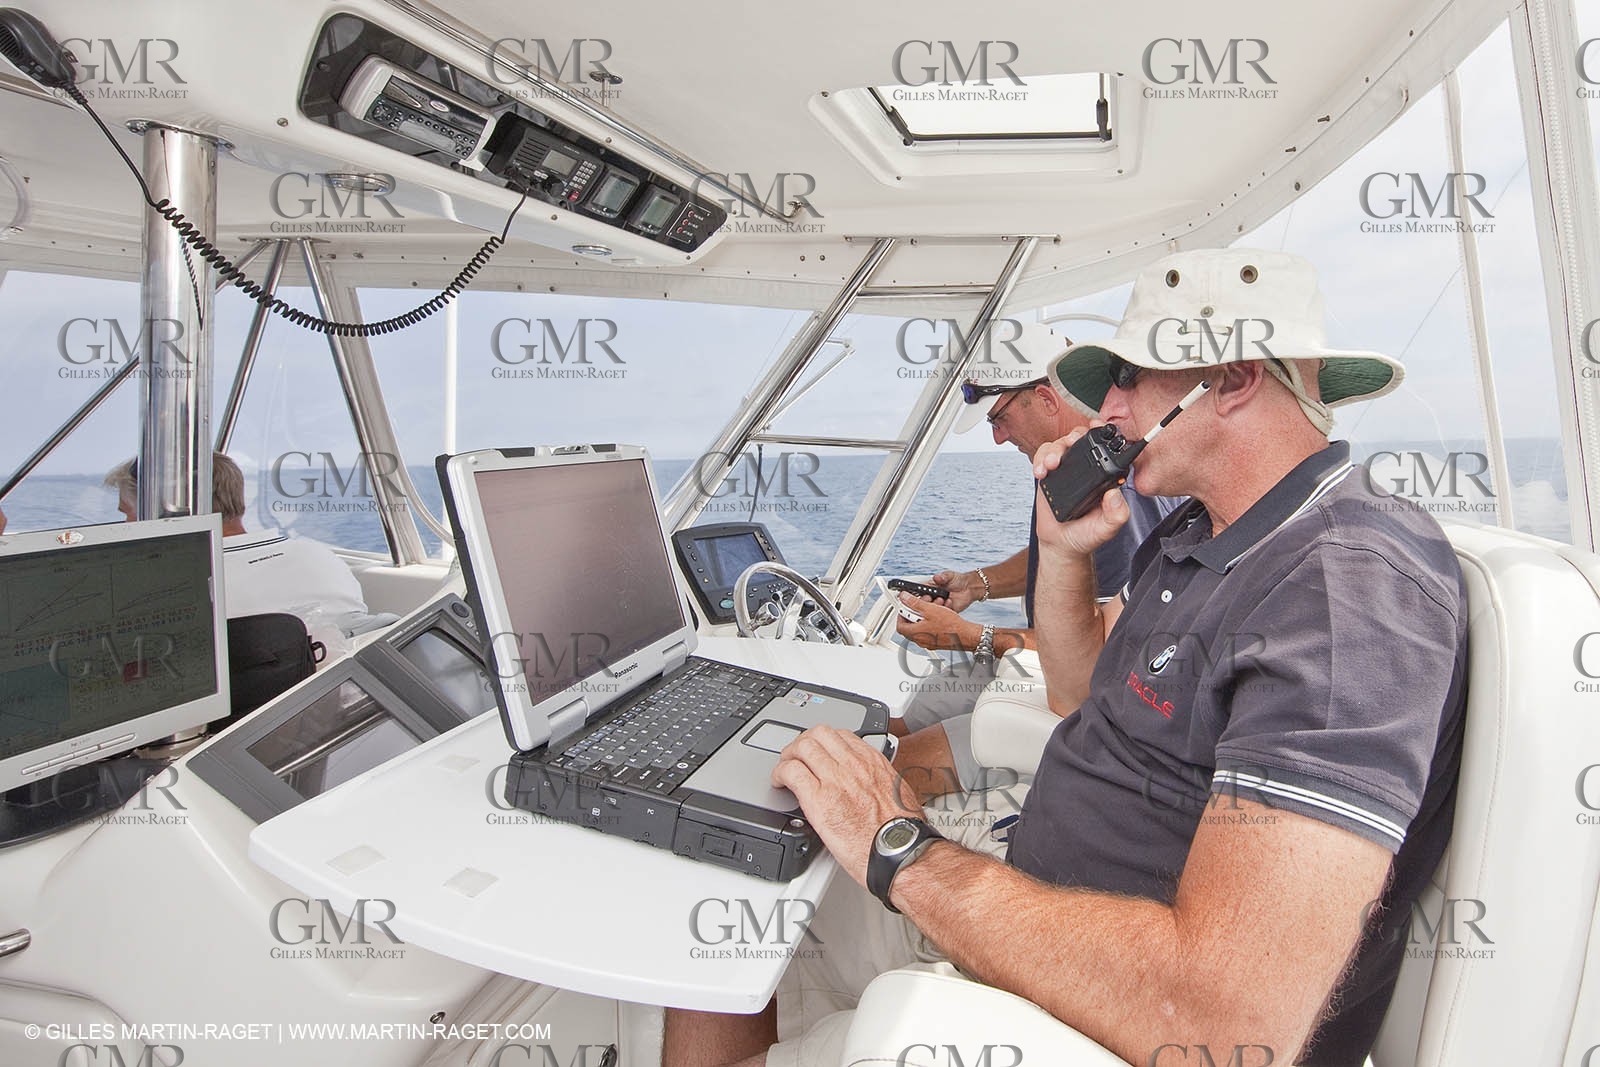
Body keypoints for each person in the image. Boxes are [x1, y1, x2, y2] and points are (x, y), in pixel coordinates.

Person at [662, 248, 1468, 1067]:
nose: (1105, 404)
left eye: (1128, 374)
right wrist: (1064, 550)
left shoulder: (1346, 591)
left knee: (721, 941)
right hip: (1039, 919)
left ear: (1231, 378)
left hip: (1099, 1017)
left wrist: (899, 845)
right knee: (728, 862)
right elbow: (1080, 694)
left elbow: (1224, 1022)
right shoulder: (1205, 532)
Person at [105, 453, 374, 631]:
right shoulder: (321, 557)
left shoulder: (174, 592)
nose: (126, 526)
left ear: (162, 512)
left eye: (127, 513)